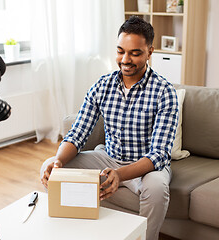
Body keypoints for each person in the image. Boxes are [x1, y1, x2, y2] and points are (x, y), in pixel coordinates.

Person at [40, 16, 179, 240]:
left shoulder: (164, 92)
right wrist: (58, 161)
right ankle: (78, 231)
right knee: (49, 167)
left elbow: (159, 154)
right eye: (120, 51)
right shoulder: (102, 85)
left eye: (135, 53)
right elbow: (77, 133)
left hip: (145, 166)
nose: (125, 59)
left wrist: (120, 175)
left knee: (156, 191)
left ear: (149, 52)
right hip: (108, 158)